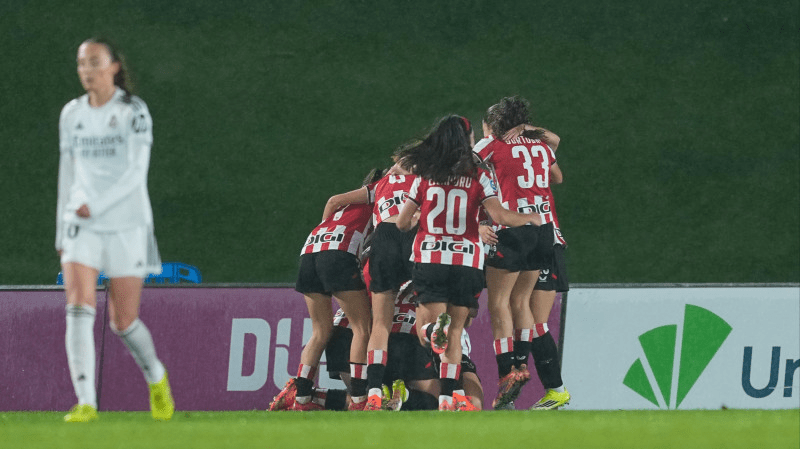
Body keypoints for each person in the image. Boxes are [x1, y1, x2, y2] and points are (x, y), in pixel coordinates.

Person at [56, 38, 174, 422]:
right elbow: (67, 173)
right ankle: (86, 402)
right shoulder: (71, 113)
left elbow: (135, 175)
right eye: (81, 63)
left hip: (126, 224)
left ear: (113, 67)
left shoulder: (132, 111)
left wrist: (100, 206)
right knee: (78, 305)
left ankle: (157, 379)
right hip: (81, 224)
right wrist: (64, 226)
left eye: (94, 62)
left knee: (123, 322)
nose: (87, 69)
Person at [395, 115, 541, 410]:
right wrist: (530, 218)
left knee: (427, 328)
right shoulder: (478, 175)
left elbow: (401, 223)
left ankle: (431, 332)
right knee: (456, 335)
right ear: (465, 140)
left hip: (431, 258)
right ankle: (448, 398)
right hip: (467, 262)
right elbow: (500, 217)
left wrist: (418, 218)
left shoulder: (426, 175)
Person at [472, 96, 562, 409]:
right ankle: (521, 368)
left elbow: (459, 171)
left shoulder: (489, 146)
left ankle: (506, 376)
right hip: (543, 229)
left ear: (494, 124)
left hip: (513, 229)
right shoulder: (542, 147)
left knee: (498, 303)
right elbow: (555, 170)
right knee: (521, 301)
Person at [279, 171, 376, 411]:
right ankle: (359, 399)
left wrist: (324, 230)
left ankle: (301, 399)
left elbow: (334, 202)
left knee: (320, 331)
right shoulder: (380, 197)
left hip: (310, 248)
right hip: (338, 252)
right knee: (363, 328)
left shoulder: (347, 206)